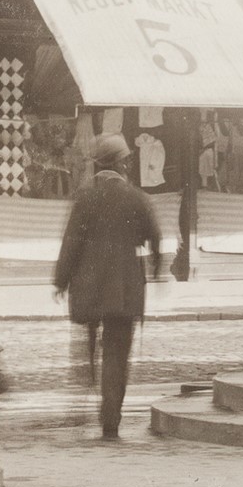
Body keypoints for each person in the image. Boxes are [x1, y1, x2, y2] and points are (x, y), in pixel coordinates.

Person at [52, 133, 165, 442]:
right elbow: (155, 237)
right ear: (122, 164)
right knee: (117, 354)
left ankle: (84, 396)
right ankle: (110, 418)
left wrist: (60, 280)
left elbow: (71, 242)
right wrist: (156, 268)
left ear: (98, 166)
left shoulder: (85, 197)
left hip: (88, 286)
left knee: (87, 345)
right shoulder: (136, 198)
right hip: (124, 288)